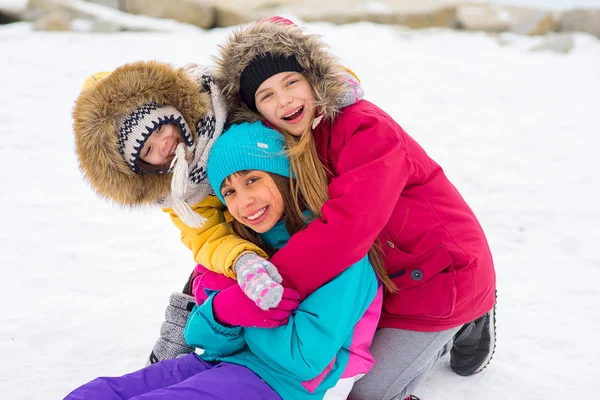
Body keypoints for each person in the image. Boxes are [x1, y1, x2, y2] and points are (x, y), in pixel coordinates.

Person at [212, 18, 497, 399]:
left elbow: (347, 228)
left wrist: (270, 282)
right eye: (266, 95)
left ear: (314, 77)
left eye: (291, 82)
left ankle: (469, 315)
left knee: (369, 394)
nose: (284, 101)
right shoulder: (290, 147)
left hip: (441, 278)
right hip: (384, 282)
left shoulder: (364, 128)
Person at [64, 121, 385, 400]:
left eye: (252, 179)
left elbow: (304, 361)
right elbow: (199, 337)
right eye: (228, 192)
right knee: (97, 393)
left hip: (276, 386)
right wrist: (224, 310)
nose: (243, 201)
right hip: (214, 362)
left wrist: (240, 321)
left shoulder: (341, 253)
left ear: (282, 174)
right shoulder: (245, 251)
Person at [72, 59, 366, 364]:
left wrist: (331, 87)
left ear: (170, 107)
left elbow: (279, 61)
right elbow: (207, 236)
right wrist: (242, 259)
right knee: (210, 267)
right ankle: (183, 334)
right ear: (141, 168)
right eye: (146, 150)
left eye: (158, 127)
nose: (163, 145)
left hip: (296, 188)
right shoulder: (175, 189)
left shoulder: (220, 100)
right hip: (247, 227)